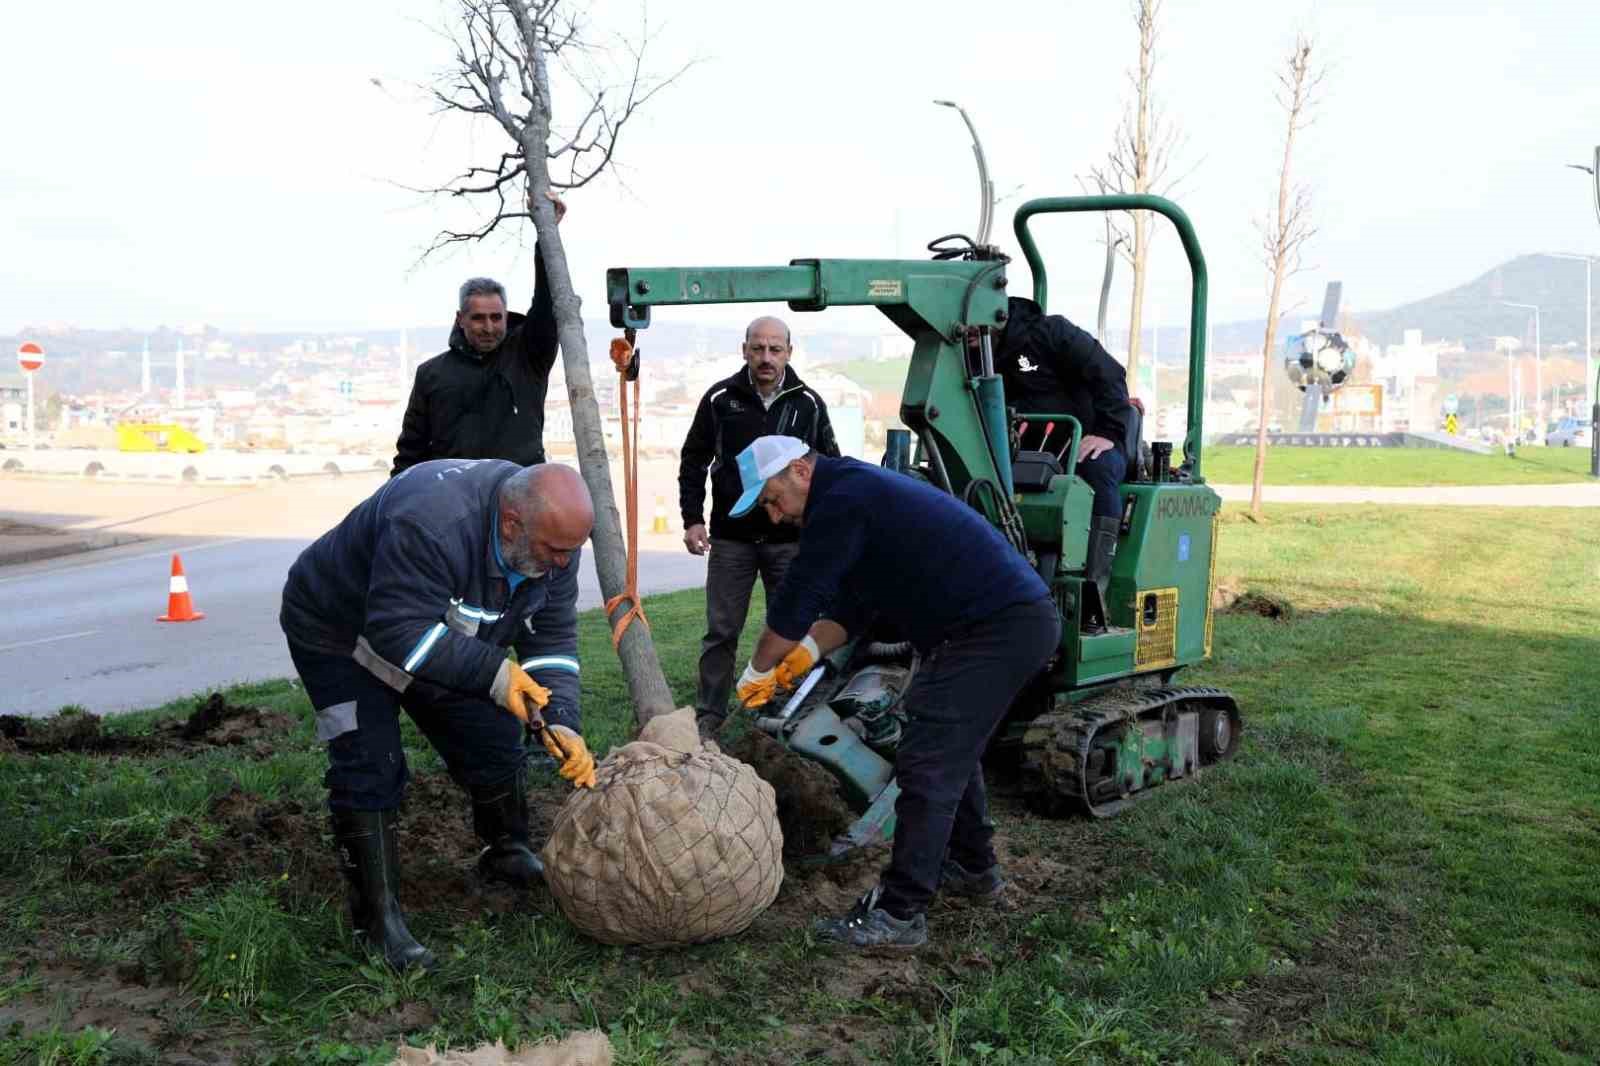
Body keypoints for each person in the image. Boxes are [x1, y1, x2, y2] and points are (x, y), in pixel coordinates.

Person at [730, 437, 1059, 950]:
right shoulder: (856, 496)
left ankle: (899, 912)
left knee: (928, 760)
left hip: (998, 626)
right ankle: (973, 867)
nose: (773, 517)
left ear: (799, 471)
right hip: (993, 625)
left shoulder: (840, 499)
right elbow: (855, 607)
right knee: (946, 747)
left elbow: (799, 598)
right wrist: (805, 655)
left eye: (772, 500)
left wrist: (756, 671)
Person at [279, 458, 598, 971]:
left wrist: (559, 716)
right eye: (555, 552)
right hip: (337, 630)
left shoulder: (556, 541)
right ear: (512, 522)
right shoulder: (431, 522)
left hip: (433, 631)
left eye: (571, 552)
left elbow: (551, 639)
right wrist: (496, 675)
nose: (563, 564)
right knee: (370, 763)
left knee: (493, 738)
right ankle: (378, 924)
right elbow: (397, 631)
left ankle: (506, 851)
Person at [677, 316, 839, 734]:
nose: (766, 357)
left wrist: (820, 528)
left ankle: (787, 712)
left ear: (789, 351)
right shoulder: (719, 399)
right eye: (758, 348)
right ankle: (709, 716)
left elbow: (828, 466)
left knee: (793, 626)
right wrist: (692, 519)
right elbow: (693, 460)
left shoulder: (809, 403)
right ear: (744, 349)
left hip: (790, 541)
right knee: (721, 630)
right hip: (732, 539)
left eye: (775, 349)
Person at [391, 192, 568, 475]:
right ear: (460, 319)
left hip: (519, 498)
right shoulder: (432, 375)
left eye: (496, 317)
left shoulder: (528, 357)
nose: (488, 327)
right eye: (478, 318)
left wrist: (547, 233)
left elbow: (547, 302)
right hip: (454, 501)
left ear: (506, 315)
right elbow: (410, 454)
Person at [992, 296, 1132, 631]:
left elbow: (1110, 373)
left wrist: (1108, 431)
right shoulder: (974, 352)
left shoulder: (1051, 333)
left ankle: (1092, 593)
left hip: (1085, 441)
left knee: (1096, 469)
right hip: (1027, 449)